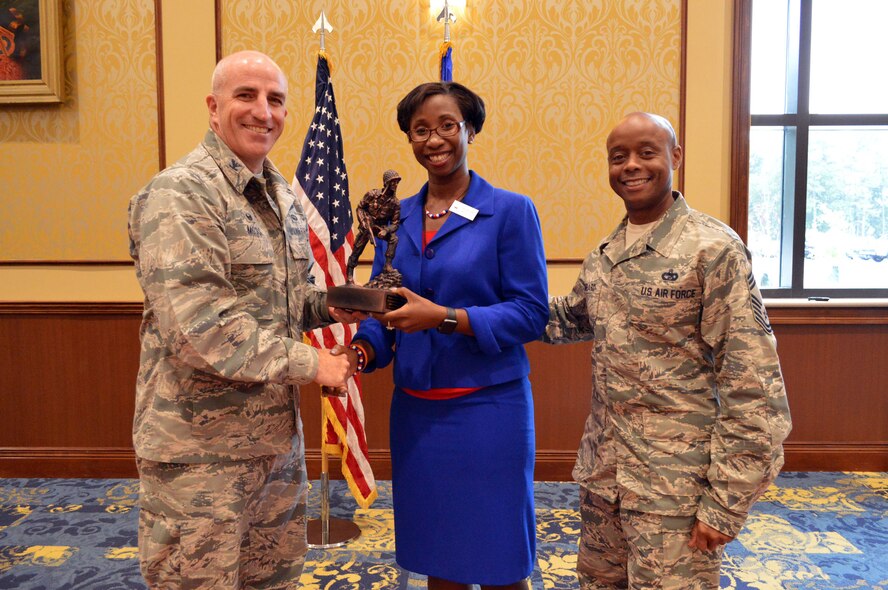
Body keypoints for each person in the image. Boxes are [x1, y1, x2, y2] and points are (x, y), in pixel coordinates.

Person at [127, 50, 360, 589]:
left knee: (273, 580)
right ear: (213, 107)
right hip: (199, 456)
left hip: (272, 444)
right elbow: (199, 327)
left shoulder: (279, 193)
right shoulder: (181, 194)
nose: (263, 112)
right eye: (246, 96)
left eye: (275, 100)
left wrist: (328, 305)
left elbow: (277, 301)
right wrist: (313, 363)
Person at [542, 112, 792, 589]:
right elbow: (566, 318)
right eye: (619, 157)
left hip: (675, 491)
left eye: (646, 152)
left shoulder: (712, 249)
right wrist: (459, 312)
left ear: (675, 157)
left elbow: (753, 384)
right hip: (605, 481)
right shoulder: (606, 253)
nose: (631, 166)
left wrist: (726, 501)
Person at [342, 82, 549, 589]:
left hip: (489, 412)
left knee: (501, 557)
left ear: (470, 130)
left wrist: (446, 317)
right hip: (417, 415)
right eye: (420, 130)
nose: (434, 139)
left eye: (447, 126)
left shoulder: (511, 211)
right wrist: (364, 349)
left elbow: (530, 313)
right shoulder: (398, 216)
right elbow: (388, 302)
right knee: (440, 556)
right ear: (409, 140)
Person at [346, 169, 402, 285]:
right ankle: (350, 273)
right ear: (386, 183)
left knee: (393, 239)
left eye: (397, 182)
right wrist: (363, 222)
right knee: (357, 248)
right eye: (393, 182)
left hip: (380, 228)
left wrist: (386, 231)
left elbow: (395, 223)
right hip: (367, 226)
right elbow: (360, 208)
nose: (395, 185)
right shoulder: (372, 194)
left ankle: (387, 265)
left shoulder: (395, 203)